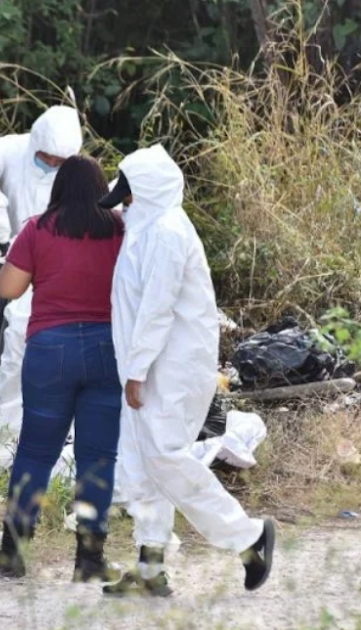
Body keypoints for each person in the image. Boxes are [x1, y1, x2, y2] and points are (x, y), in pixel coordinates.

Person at [101, 145, 274, 597]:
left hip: (170, 369)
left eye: (129, 196)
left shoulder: (167, 234)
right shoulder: (148, 229)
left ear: (149, 193)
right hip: (146, 367)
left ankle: (249, 537)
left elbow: (156, 310)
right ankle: (150, 565)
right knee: (141, 462)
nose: (123, 204)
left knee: (164, 457)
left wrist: (137, 370)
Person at [0, 156, 125, 583]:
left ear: (58, 188)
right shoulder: (120, 228)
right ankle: (90, 559)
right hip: (107, 349)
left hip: (50, 351)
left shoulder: (38, 228)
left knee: (36, 452)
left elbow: (8, 288)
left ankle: (13, 554)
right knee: (98, 457)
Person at [0, 105, 84, 475]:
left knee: (35, 365)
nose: (51, 163)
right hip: (15, 271)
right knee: (11, 360)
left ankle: (26, 444)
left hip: (56, 280)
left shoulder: (77, 175)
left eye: (59, 160)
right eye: (46, 157)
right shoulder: (12, 150)